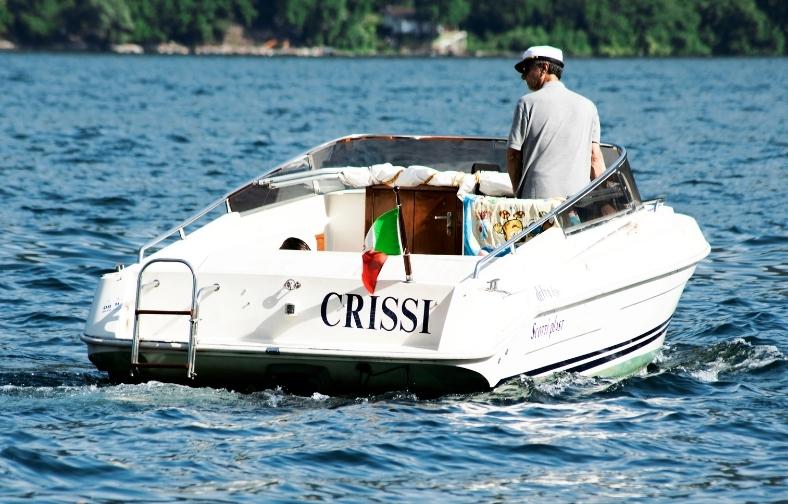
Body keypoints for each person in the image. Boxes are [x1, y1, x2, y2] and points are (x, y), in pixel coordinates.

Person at [507, 45, 606, 199]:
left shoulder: (526, 103)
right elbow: (595, 158)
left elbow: (513, 156)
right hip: (576, 203)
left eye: (526, 69)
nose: (523, 76)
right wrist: (605, 201)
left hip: (537, 203)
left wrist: (517, 193)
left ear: (544, 68)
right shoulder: (589, 106)